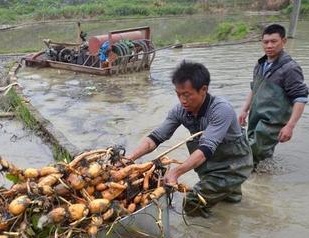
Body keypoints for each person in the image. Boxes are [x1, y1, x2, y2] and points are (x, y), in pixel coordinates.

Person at [127, 61, 253, 217]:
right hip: (210, 165)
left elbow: (206, 148)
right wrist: (129, 159)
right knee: (229, 202)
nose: (182, 100)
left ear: (203, 90)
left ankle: (212, 235)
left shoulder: (221, 109)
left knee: (193, 202)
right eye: (178, 94)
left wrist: (176, 172)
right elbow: (156, 137)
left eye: (187, 95)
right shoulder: (180, 111)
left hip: (233, 166)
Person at [238, 24, 308, 165]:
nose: (269, 46)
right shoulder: (260, 64)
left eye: (273, 41)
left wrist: (290, 126)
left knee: (250, 154)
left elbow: (300, 98)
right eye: (266, 42)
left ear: (284, 41)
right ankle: (264, 182)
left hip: (272, 122)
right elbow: (254, 89)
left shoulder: (290, 69)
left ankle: (257, 183)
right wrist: (244, 110)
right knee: (257, 158)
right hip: (255, 118)